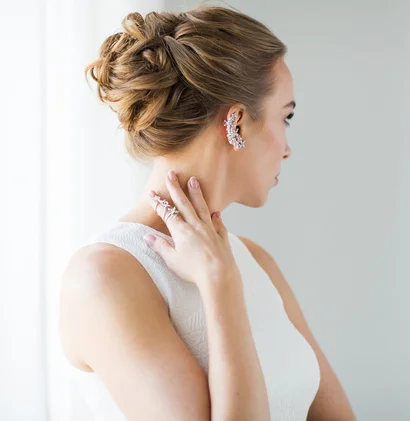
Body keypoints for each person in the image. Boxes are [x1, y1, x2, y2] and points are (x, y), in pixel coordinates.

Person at [59, 5, 356, 421]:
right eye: (285, 117)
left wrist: (226, 274)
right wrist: (220, 287)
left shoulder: (255, 261)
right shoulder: (105, 276)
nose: (288, 147)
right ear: (235, 122)